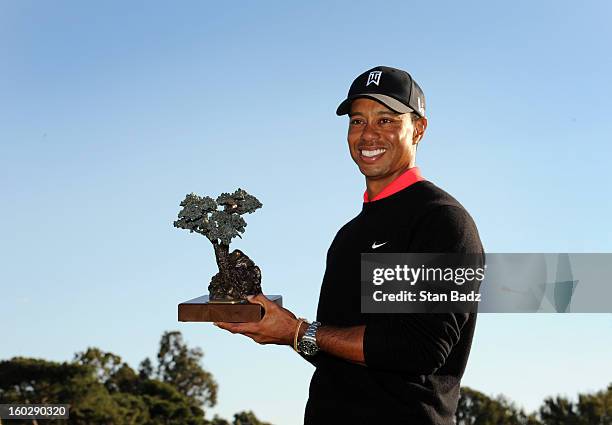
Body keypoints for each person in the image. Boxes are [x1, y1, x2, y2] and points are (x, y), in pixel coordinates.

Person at [215, 65, 484, 424]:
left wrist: (298, 331)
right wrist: (284, 330)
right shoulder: (349, 235)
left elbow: (420, 348)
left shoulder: (442, 221)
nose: (368, 135)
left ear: (418, 128)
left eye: (386, 120)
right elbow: (340, 348)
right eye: (357, 121)